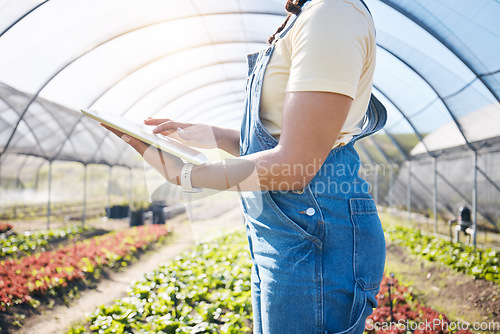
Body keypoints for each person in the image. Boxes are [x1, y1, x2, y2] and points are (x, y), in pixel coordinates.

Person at [101, 0, 387, 332]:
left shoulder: (333, 13)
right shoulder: (306, 17)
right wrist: (211, 135)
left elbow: (296, 164)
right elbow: (281, 142)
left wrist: (187, 175)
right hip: (283, 230)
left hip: (314, 234)